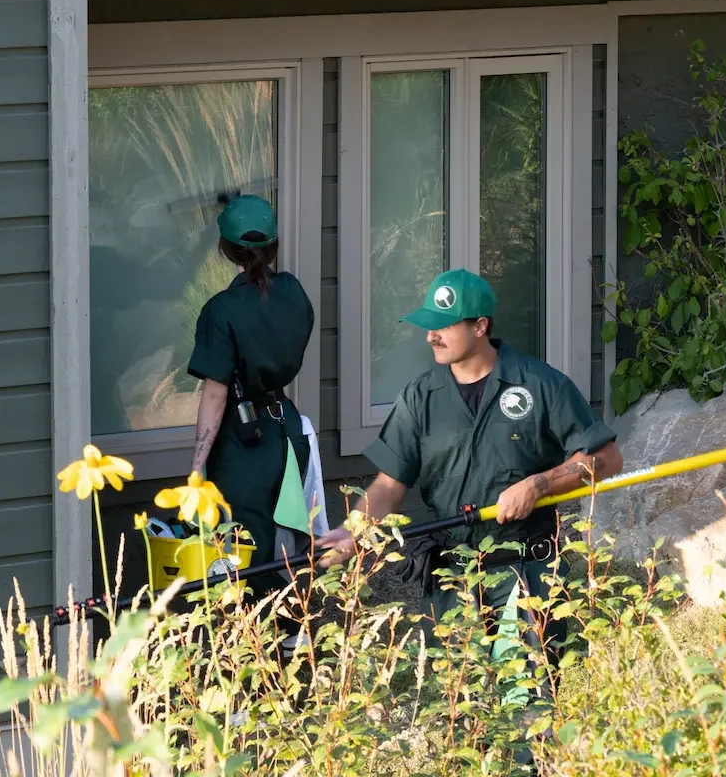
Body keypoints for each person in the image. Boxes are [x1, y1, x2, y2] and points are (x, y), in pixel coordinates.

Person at [315, 268, 623, 675]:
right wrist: (354, 529)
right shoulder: (421, 397)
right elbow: (389, 484)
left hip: (525, 571)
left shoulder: (539, 383)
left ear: (480, 326)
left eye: (444, 326)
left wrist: (539, 484)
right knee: (459, 703)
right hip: (451, 577)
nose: (431, 336)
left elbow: (606, 459)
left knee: (525, 701)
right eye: (428, 326)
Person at [186, 194, 316, 637]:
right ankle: (294, 637)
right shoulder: (294, 292)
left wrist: (197, 467)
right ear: (274, 247)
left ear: (225, 249)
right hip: (289, 430)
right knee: (289, 539)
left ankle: (252, 649)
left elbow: (215, 393)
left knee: (244, 547)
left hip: (243, 442)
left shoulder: (221, 310)